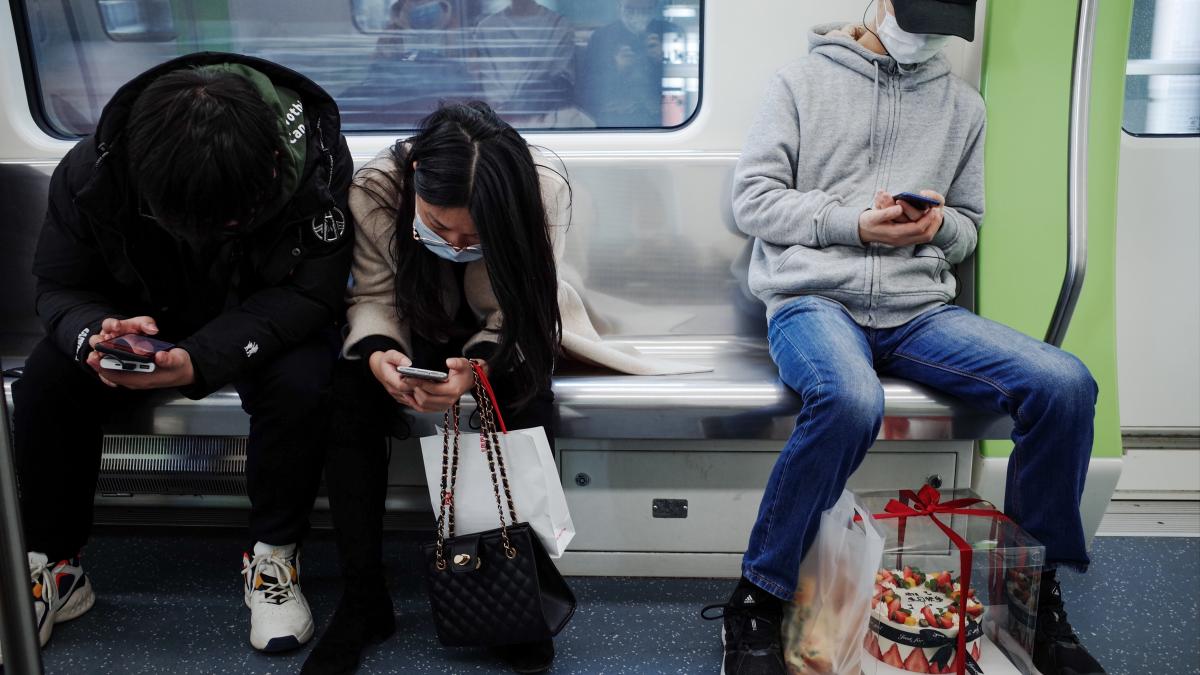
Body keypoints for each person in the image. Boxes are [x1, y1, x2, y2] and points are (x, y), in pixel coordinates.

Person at [710, 2, 1107, 675]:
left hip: (918, 312)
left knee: (1065, 384)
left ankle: (1028, 595)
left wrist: (937, 226)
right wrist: (854, 225)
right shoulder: (799, 82)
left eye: (941, 29)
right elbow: (752, 200)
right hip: (814, 299)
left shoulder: (962, 107)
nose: (925, 40)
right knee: (848, 399)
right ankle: (759, 595)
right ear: (880, 5)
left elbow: (969, 226)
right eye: (916, 20)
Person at [2, 53, 353, 664]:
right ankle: (56, 565)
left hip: (262, 312)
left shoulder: (316, 169)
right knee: (47, 379)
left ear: (272, 168)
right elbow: (59, 285)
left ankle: (274, 554)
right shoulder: (95, 171)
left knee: (304, 378)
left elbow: (311, 292)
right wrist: (95, 335)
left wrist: (202, 360)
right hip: (141, 315)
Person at [473, 0, 591, 127]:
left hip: (548, 119)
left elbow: (560, 84)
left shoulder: (558, 26)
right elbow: (491, 93)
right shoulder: (487, 28)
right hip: (502, 123)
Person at [580, 0, 678, 127]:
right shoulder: (602, 37)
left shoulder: (669, 33)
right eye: (630, 9)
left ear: (654, 7)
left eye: (644, 10)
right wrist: (618, 69)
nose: (637, 15)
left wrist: (663, 60)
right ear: (619, 6)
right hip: (615, 118)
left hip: (663, 116)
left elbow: (684, 82)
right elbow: (589, 90)